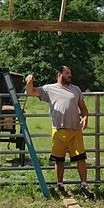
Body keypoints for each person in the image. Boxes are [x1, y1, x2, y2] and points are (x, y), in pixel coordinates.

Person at [25, 65, 93, 198]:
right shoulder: (49, 89)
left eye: (70, 73)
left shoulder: (76, 89)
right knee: (59, 160)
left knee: (81, 158)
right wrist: (29, 81)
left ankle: (84, 185)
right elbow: (30, 92)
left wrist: (85, 117)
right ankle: (59, 185)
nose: (70, 76)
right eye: (67, 73)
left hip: (75, 130)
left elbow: (83, 108)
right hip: (58, 130)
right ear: (59, 75)